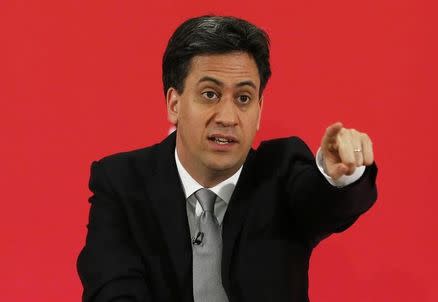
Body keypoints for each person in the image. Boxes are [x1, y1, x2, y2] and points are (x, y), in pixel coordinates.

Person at [77, 15, 377, 302]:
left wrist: (341, 173)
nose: (228, 117)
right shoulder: (122, 182)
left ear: (259, 109)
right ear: (174, 103)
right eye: (210, 94)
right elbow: (111, 290)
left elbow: (323, 201)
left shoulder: (280, 173)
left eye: (243, 98)